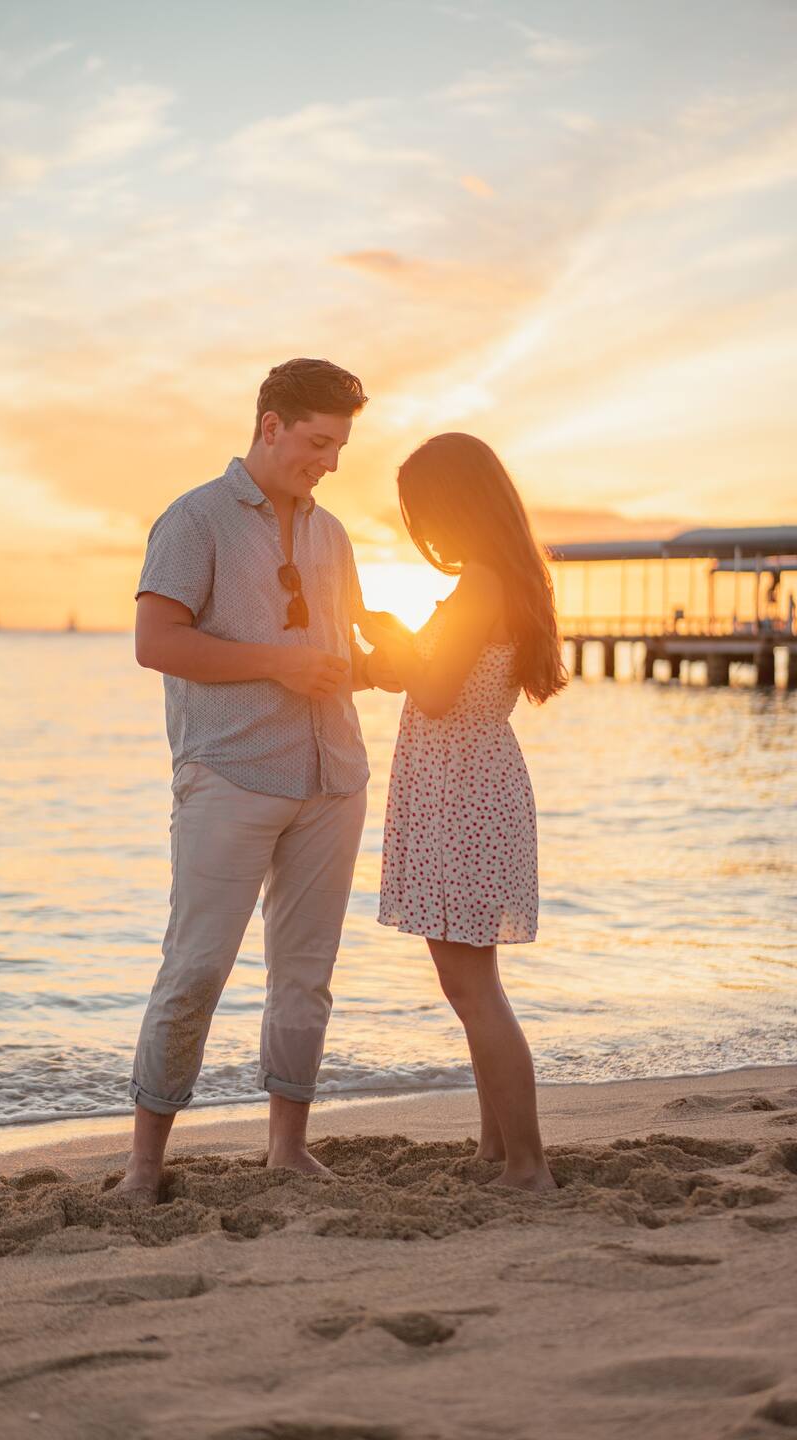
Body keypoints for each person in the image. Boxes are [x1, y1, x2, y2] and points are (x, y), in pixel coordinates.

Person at [119, 358, 398, 1200]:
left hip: (333, 775)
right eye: (319, 441)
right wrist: (279, 665)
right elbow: (156, 643)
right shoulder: (193, 520)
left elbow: (334, 657)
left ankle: (286, 1146)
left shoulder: (334, 532)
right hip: (229, 775)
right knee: (196, 968)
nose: (332, 461)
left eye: (342, 445)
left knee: (305, 973)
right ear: (269, 426)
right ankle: (144, 1165)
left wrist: (384, 665)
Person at [360, 432, 566, 1192]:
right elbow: (441, 672)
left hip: (465, 794)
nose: (425, 532)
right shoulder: (497, 578)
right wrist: (400, 649)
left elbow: (439, 688)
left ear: (457, 506)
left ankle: (527, 1165)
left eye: (426, 513)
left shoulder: (480, 581)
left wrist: (388, 648)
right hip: (471, 786)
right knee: (475, 984)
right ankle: (493, 1151)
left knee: (472, 988)